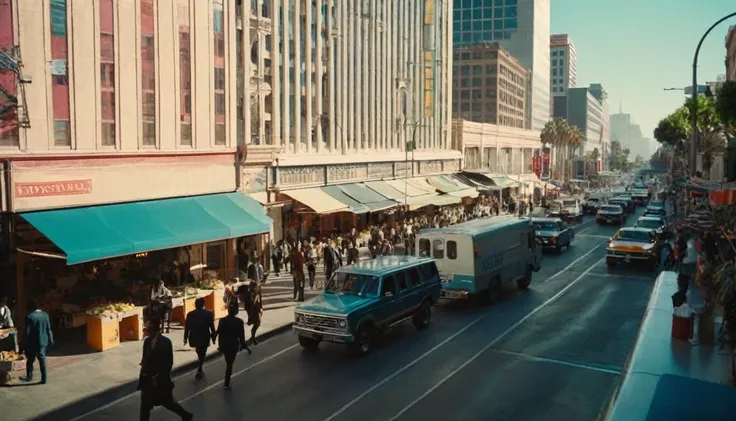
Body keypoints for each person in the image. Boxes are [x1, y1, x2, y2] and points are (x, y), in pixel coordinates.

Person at [139, 318, 193, 421]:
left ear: (155, 328)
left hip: (160, 381)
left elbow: (168, 363)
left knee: (168, 403)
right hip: (147, 380)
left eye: (149, 327)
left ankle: (185, 415)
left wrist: (159, 376)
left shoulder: (165, 342)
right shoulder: (147, 342)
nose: (146, 330)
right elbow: (145, 357)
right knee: (145, 406)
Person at [214, 304, 251, 390]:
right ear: (236, 312)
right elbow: (241, 336)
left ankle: (227, 382)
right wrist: (245, 346)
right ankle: (226, 383)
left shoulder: (222, 320)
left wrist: (213, 338)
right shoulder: (239, 322)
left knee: (228, 362)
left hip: (224, 345)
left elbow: (218, 331)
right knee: (229, 364)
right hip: (233, 346)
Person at [19, 300, 53, 384]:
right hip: (43, 341)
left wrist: (22, 344)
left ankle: (29, 376)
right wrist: (51, 340)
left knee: (30, 360)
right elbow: (49, 329)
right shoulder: (45, 315)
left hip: (32, 343)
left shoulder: (29, 316)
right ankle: (44, 379)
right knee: (42, 359)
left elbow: (26, 332)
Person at [183, 298, 215, 380]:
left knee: (199, 350)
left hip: (194, 336)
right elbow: (212, 326)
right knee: (202, 351)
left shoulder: (190, 314)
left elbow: (187, 327)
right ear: (203, 304)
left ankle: (200, 366)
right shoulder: (209, 314)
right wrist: (214, 337)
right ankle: (200, 367)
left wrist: (185, 337)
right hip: (205, 336)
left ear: (195, 305)